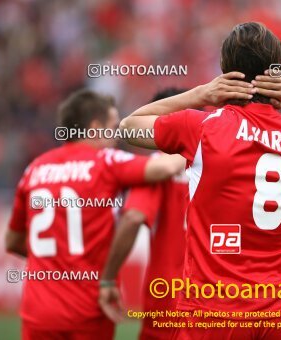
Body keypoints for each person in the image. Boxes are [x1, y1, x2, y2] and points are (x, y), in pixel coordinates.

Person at [120, 22, 281, 339]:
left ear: (224, 71)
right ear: (278, 73)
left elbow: (129, 126)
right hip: (274, 317)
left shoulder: (203, 128)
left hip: (211, 312)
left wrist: (200, 94)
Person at [5, 89, 184, 340]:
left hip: (38, 309)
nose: (117, 136)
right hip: (89, 306)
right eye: (113, 126)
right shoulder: (105, 162)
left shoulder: (34, 169)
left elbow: (11, 241)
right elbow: (165, 166)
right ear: (96, 127)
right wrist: (187, 141)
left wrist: (58, 262)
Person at [98, 88, 190, 340]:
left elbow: (133, 217)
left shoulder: (155, 169)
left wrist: (107, 279)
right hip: (218, 296)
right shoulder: (219, 161)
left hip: (167, 294)